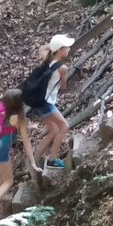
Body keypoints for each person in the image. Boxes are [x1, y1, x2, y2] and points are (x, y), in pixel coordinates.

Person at [0, 89, 42, 221]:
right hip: (0, 149)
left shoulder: (0, 111)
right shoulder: (18, 118)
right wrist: (32, 161)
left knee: (0, 178)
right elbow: (26, 141)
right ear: (19, 104)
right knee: (8, 181)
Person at [30, 34, 74, 170]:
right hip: (46, 103)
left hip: (37, 100)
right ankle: (52, 160)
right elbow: (63, 87)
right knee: (64, 126)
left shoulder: (47, 58)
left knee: (54, 130)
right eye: (66, 47)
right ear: (59, 50)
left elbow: (42, 48)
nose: (69, 50)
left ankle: (34, 162)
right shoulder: (62, 68)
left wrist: (55, 44)